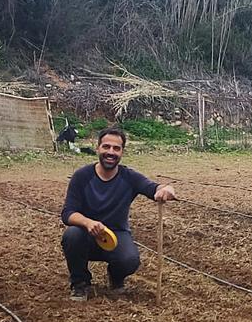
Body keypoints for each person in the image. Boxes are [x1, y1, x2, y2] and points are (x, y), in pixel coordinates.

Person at [61, 127, 176, 301]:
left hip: (117, 235)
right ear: (98, 148)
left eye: (116, 148)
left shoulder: (129, 177)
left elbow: (153, 188)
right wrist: (88, 223)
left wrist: (166, 189)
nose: (111, 152)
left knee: (130, 260)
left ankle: (116, 276)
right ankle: (80, 283)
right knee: (72, 235)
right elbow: (68, 213)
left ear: (122, 151)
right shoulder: (82, 176)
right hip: (87, 234)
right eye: (106, 147)